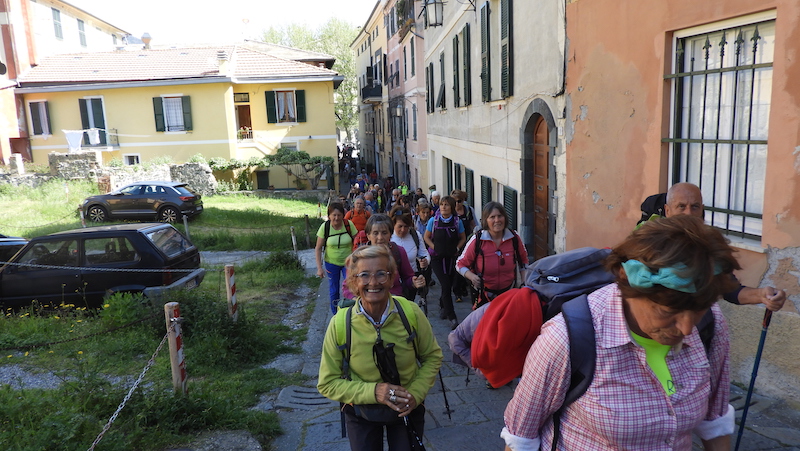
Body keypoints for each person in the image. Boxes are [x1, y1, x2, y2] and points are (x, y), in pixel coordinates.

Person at [502, 215, 740, 450]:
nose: (687, 328)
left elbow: (715, 420)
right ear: (628, 285)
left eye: (697, 310)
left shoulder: (711, 323)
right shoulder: (566, 340)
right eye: (668, 311)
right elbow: (521, 440)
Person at [318, 245, 443, 451]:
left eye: (381, 274)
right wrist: (375, 392)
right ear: (354, 282)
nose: (373, 282)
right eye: (364, 275)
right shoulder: (341, 323)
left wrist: (416, 393)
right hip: (361, 411)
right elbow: (327, 383)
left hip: (406, 405)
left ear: (392, 277)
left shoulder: (410, 313)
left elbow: (432, 356)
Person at [661, 182, 786, 311]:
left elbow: (730, 289)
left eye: (695, 207)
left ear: (702, 210)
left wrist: (763, 295)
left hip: (700, 326)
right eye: (681, 206)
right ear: (668, 210)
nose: (689, 213)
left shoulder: (710, 246)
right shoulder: (650, 244)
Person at [457, 202, 528, 308]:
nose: (497, 220)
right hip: (484, 296)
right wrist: (471, 276)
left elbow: (524, 262)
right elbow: (460, 264)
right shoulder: (477, 240)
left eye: (500, 216)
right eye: (492, 217)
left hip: (509, 294)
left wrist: (524, 283)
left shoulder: (514, 238)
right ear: (486, 220)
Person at [342, 214, 425, 300]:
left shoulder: (398, 252)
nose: (380, 237)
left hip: (393, 303)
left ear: (390, 234)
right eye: (375, 233)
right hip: (367, 304)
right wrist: (355, 299)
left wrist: (414, 281)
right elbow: (348, 286)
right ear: (368, 235)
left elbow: (408, 277)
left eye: (384, 233)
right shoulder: (359, 257)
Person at [424, 195, 466, 329]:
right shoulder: (433, 221)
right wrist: (434, 247)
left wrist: (457, 248)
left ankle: (443, 306)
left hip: (451, 258)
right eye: (442, 204)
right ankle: (452, 316)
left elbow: (463, 237)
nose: (443, 207)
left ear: (452, 207)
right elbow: (426, 237)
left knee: (447, 284)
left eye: (446, 205)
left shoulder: (457, 222)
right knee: (446, 284)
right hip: (437, 258)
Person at [315, 202, 357, 314]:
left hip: (348, 262)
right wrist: (319, 268)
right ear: (329, 216)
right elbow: (318, 248)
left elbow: (357, 242)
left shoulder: (348, 225)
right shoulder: (325, 227)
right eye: (334, 215)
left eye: (339, 215)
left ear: (343, 215)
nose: (336, 218)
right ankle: (336, 314)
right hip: (331, 263)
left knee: (351, 287)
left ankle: (351, 312)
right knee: (334, 290)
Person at [390, 206, 431, 301]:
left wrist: (425, 261)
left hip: (411, 280)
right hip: (393, 282)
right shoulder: (388, 237)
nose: (403, 230)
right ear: (393, 224)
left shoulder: (415, 235)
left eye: (406, 226)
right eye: (400, 226)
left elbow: (424, 253)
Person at [451, 189, 477, 302]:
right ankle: (457, 291)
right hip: (455, 243)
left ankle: (461, 288)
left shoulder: (468, 210)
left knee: (466, 265)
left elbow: (473, 224)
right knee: (457, 266)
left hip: (467, 242)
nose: (457, 203)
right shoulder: (450, 212)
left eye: (459, 201)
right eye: (454, 201)